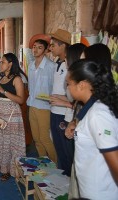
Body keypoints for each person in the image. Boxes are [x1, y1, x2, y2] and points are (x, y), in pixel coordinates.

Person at [66, 59, 118, 199]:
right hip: (90, 188)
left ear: (81, 85)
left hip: (100, 192)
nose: (68, 88)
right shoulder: (92, 107)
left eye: (69, 84)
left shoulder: (98, 114)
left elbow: (115, 161)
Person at [0, 53, 27, 181]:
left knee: (11, 142)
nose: (0, 64)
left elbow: (21, 99)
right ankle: (3, 168)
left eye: (3, 62)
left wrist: (3, 91)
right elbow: (2, 96)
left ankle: (12, 170)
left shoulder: (17, 79)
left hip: (12, 114)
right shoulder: (2, 78)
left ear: (10, 64)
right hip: (0, 111)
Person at [27, 39, 57, 163]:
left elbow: (54, 87)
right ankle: (44, 163)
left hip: (45, 107)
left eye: (39, 47)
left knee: (45, 138)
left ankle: (56, 164)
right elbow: (30, 86)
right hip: (32, 105)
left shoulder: (51, 66)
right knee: (36, 139)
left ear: (45, 50)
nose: (35, 50)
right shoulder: (31, 65)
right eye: (34, 47)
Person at [48, 29, 71, 167]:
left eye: (53, 45)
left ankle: (68, 178)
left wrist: (61, 99)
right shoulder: (57, 63)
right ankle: (62, 177)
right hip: (54, 109)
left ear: (63, 46)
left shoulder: (69, 64)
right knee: (58, 146)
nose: (51, 48)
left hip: (64, 112)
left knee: (66, 148)